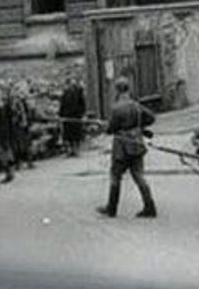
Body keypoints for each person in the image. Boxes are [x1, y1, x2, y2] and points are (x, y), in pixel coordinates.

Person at [96, 77, 158, 218]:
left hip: (121, 148)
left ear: (117, 90)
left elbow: (111, 129)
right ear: (128, 89)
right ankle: (150, 207)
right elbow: (151, 118)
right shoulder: (136, 105)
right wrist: (139, 127)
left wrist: (104, 126)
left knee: (115, 176)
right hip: (137, 144)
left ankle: (111, 209)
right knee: (139, 176)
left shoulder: (116, 108)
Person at [59, 69, 88, 157]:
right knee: (68, 134)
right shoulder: (65, 91)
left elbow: (82, 102)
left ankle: (76, 149)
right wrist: (61, 114)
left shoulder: (79, 90)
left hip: (76, 115)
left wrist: (82, 113)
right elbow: (62, 104)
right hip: (67, 115)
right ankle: (70, 150)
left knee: (76, 133)